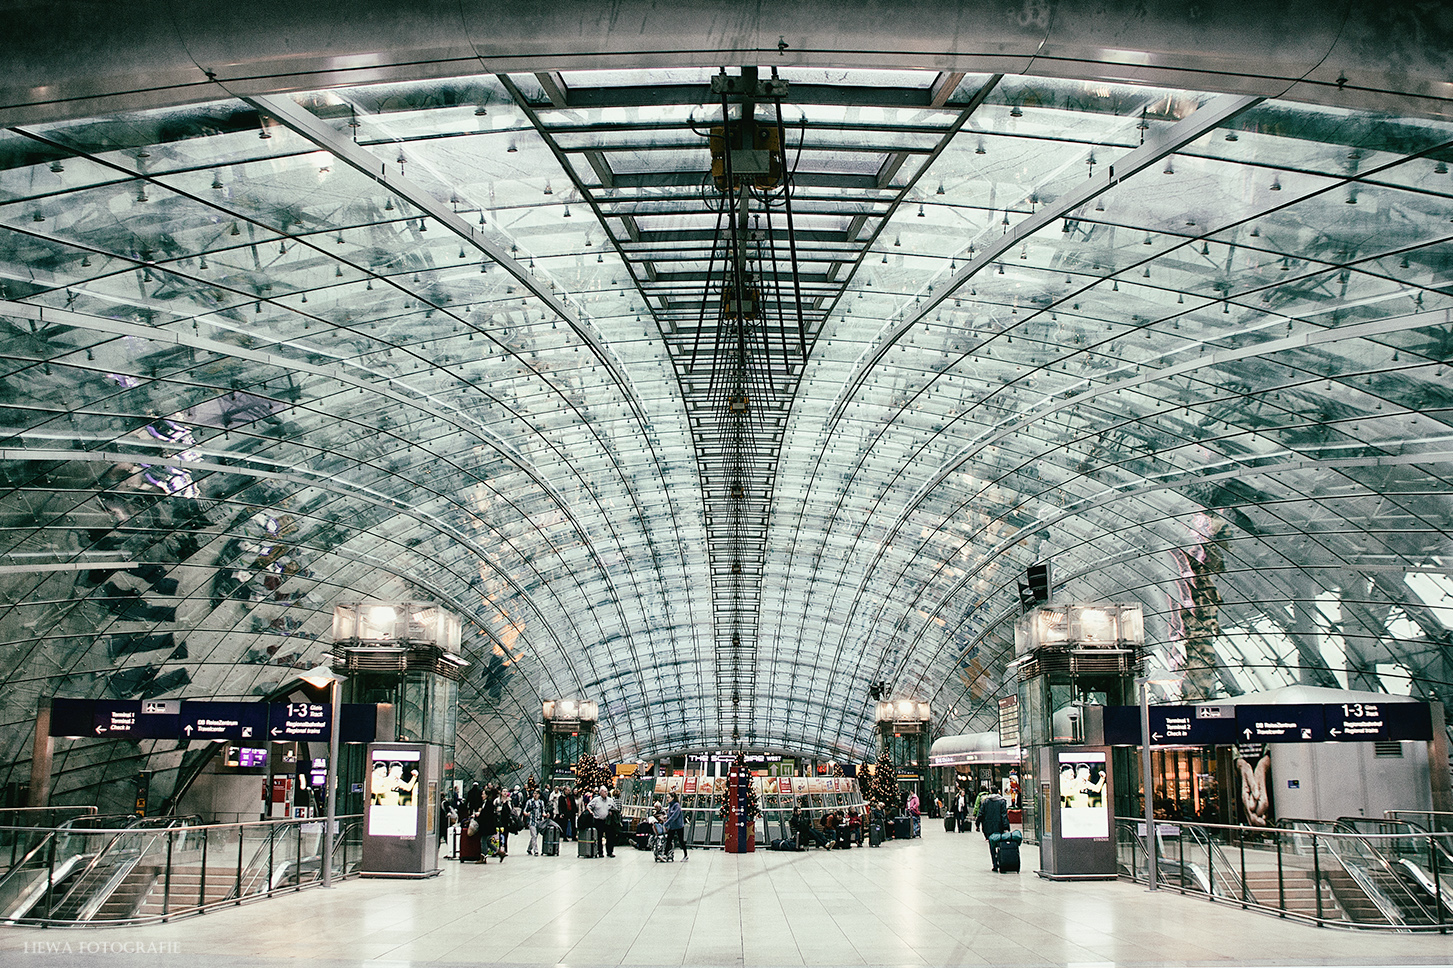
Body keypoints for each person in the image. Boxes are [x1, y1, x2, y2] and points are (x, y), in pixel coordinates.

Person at [979, 789, 1009, 872]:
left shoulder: (986, 801)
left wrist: (977, 824)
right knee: (1000, 844)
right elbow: (1004, 815)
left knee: (992, 845)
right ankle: (1001, 861)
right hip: (999, 826)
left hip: (988, 827)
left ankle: (995, 864)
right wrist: (1006, 826)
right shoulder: (1002, 801)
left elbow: (981, 813)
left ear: (991, 792)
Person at [588, 785, 615, 857]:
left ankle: (610, 852)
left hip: (607, 821)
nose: (606, 793)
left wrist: (612, 812)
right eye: (604, 792)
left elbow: (615, 808)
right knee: (599, 837)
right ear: (600, 792)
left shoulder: (610, 800)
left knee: (610, 837)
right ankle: (600, 852)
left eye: (606, 791)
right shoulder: (596, 800)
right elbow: (588, 806)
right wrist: (591, 812)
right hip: (598, 820)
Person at [665, 793, 689, 861]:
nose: (667, 799)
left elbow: (674, 816)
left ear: (673, 798)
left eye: (669, 797)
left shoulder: (677, 806)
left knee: (681, 840)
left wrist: (666, 823)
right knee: (669, 840)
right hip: (672, 826)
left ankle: (685, 855)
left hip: (679, 826)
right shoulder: (670, 805)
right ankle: (665, 853)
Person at [525, 787, 546, 855]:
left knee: (535, 836)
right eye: (534, 793)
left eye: (536, 794)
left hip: (539, 822)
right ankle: (536, 850)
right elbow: (525, 810)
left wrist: (545, 815)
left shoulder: (541, 802)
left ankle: (529, 848)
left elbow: (543, 811)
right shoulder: (529, 802)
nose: (535, 795)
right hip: (532, 821)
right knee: (534, 835)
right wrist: (527, 814)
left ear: (539, 795)